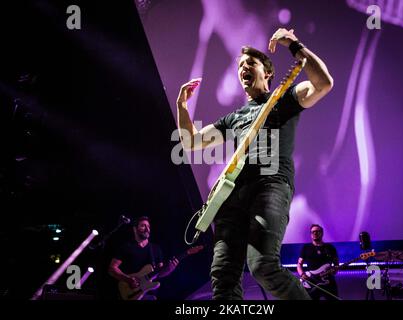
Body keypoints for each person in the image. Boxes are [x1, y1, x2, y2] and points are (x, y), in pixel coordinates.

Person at [176, 28, 333, 300]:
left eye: (251, 63)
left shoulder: (284, 98)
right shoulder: (234, 117)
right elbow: (191, 142)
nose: (243, 68)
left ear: (268, 73)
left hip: (271, 185)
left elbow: (323, 84)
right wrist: (182, 106)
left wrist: (294, 45)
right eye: (240, 65)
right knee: (223, 276)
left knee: (262, 266)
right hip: (231, 195)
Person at [108, 216, 179, 300]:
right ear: (135, 229)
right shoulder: (126, 247)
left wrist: (169, 270)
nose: (147, 229)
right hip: (129, 291)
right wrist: (128, 279)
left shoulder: (156, 249)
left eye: (148, 226)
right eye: (143, 226)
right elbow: (112, 268)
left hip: (149, 294)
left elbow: (159, 273)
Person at [297, 224, 339, 300]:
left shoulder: (330, 247)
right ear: (311, 234)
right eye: (312, 232)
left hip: (328, 282)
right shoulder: (306, 248)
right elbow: (299, 264)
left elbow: (336, 264)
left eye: (317, 231)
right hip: (312, 282)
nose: (315, 233)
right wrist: (302, 274)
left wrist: (335, 270)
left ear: (322, 233)